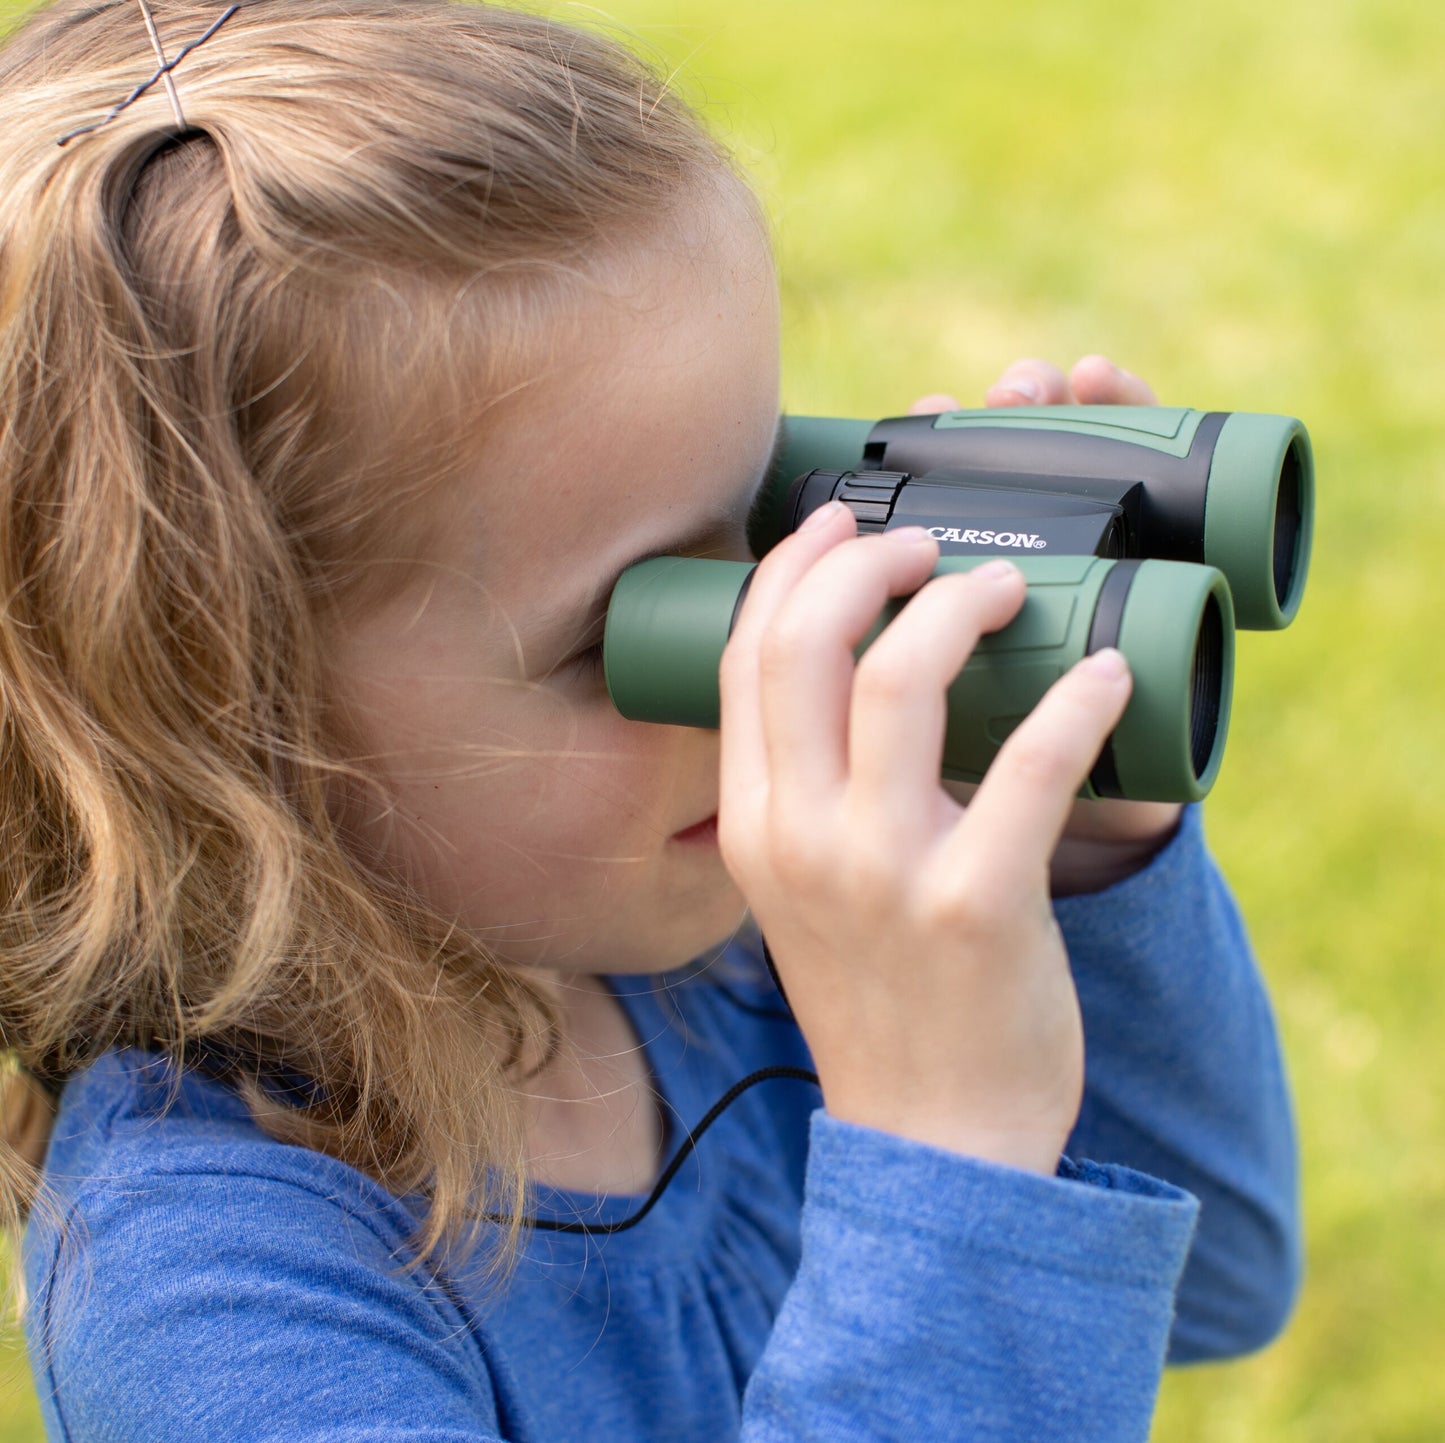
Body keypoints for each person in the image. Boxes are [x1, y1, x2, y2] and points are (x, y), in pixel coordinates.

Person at [0, 2, 1298, 1439]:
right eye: (644, 625)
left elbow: (1210, 1286)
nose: (777, 665)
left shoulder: (733, 933)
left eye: (772, 509)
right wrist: (943, 1153)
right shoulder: (212, 1299)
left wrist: (1085, 861)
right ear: (214, 730)